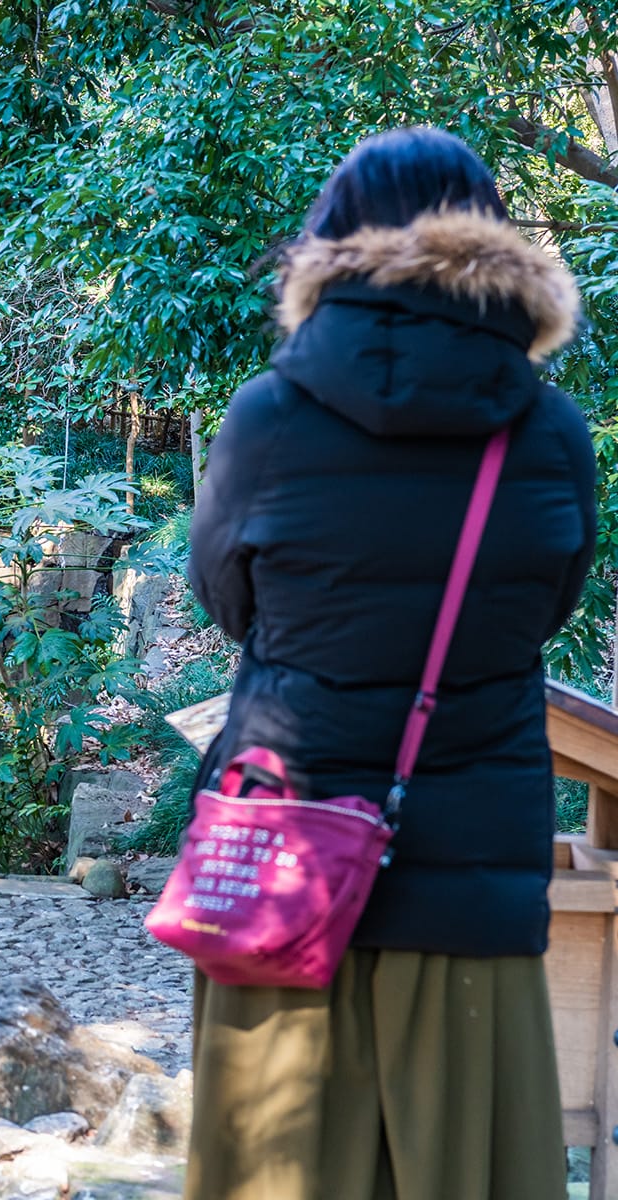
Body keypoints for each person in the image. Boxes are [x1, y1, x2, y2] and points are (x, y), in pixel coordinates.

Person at [184, 127, 596, 1200]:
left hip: (284, 857)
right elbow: (541, 613)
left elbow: (231, 603)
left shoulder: (270, 414)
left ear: (332, 240)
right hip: (469, 880)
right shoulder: (550, 433)